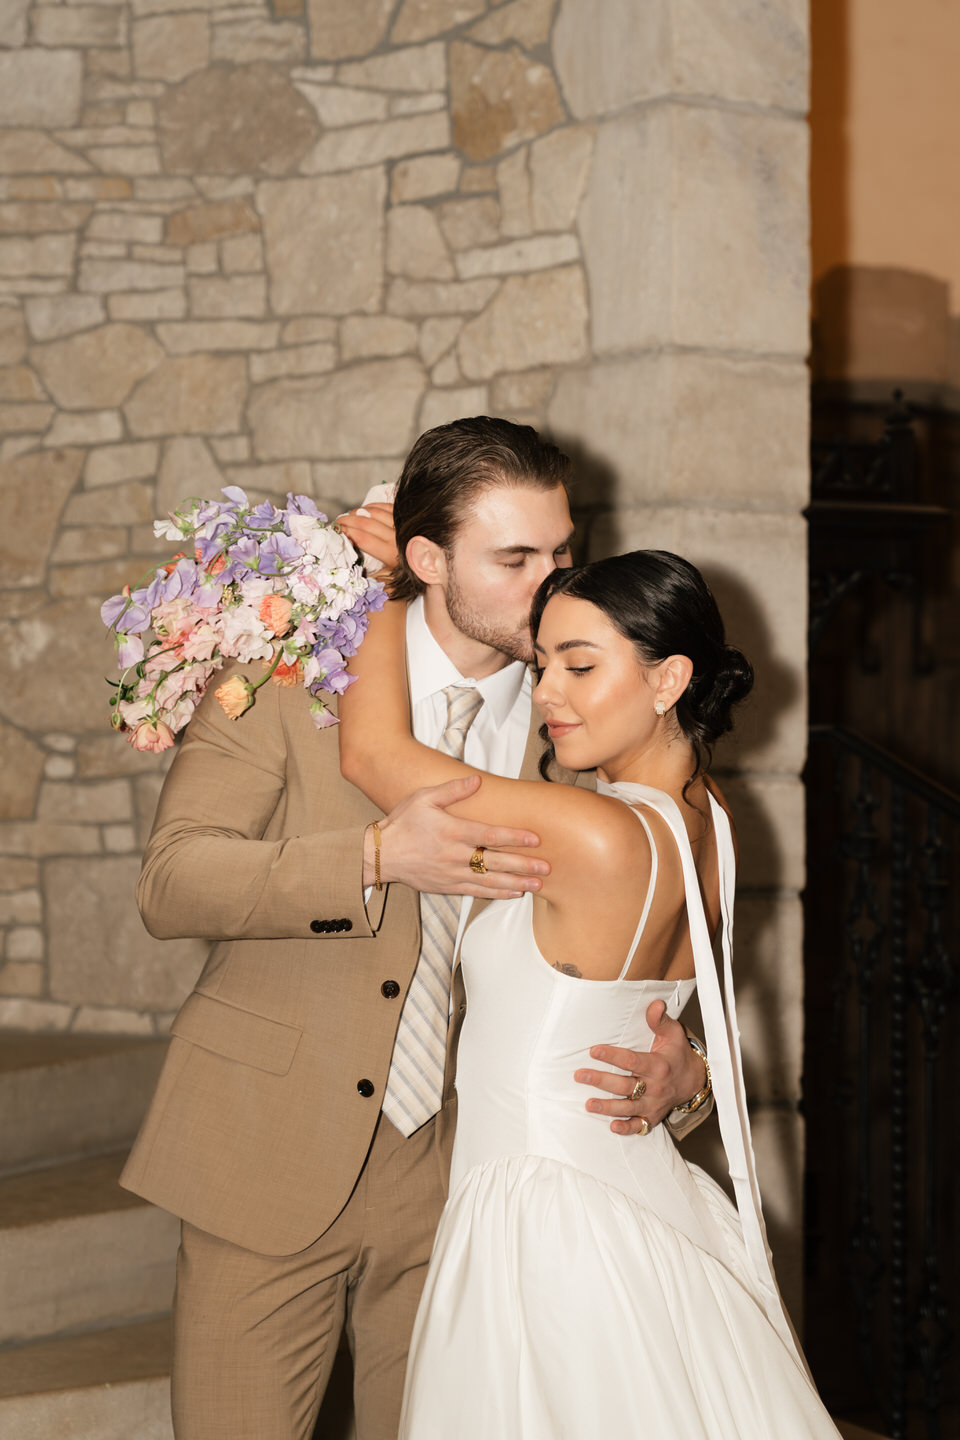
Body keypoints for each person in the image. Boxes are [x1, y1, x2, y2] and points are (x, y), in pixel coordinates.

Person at [120, 418, 711, 1440]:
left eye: (563, 552)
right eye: (517, 557)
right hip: (270, 1149)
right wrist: (371, 861)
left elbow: (649, 921)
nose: (554, 580)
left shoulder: (579, 717)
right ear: (428, 560)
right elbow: (172, 881)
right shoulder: (287, 680)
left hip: (466, 1185)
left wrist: (686, 1071)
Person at [338, 547, 843, 1438]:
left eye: (580, 665)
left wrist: (381, 587)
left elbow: (376, 756)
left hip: (542, 1218)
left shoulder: (596, 832)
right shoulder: (713, 820)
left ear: (668, 679)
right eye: (542, 668)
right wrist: (684, 1069)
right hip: (637, 1189)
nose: (546, 696)